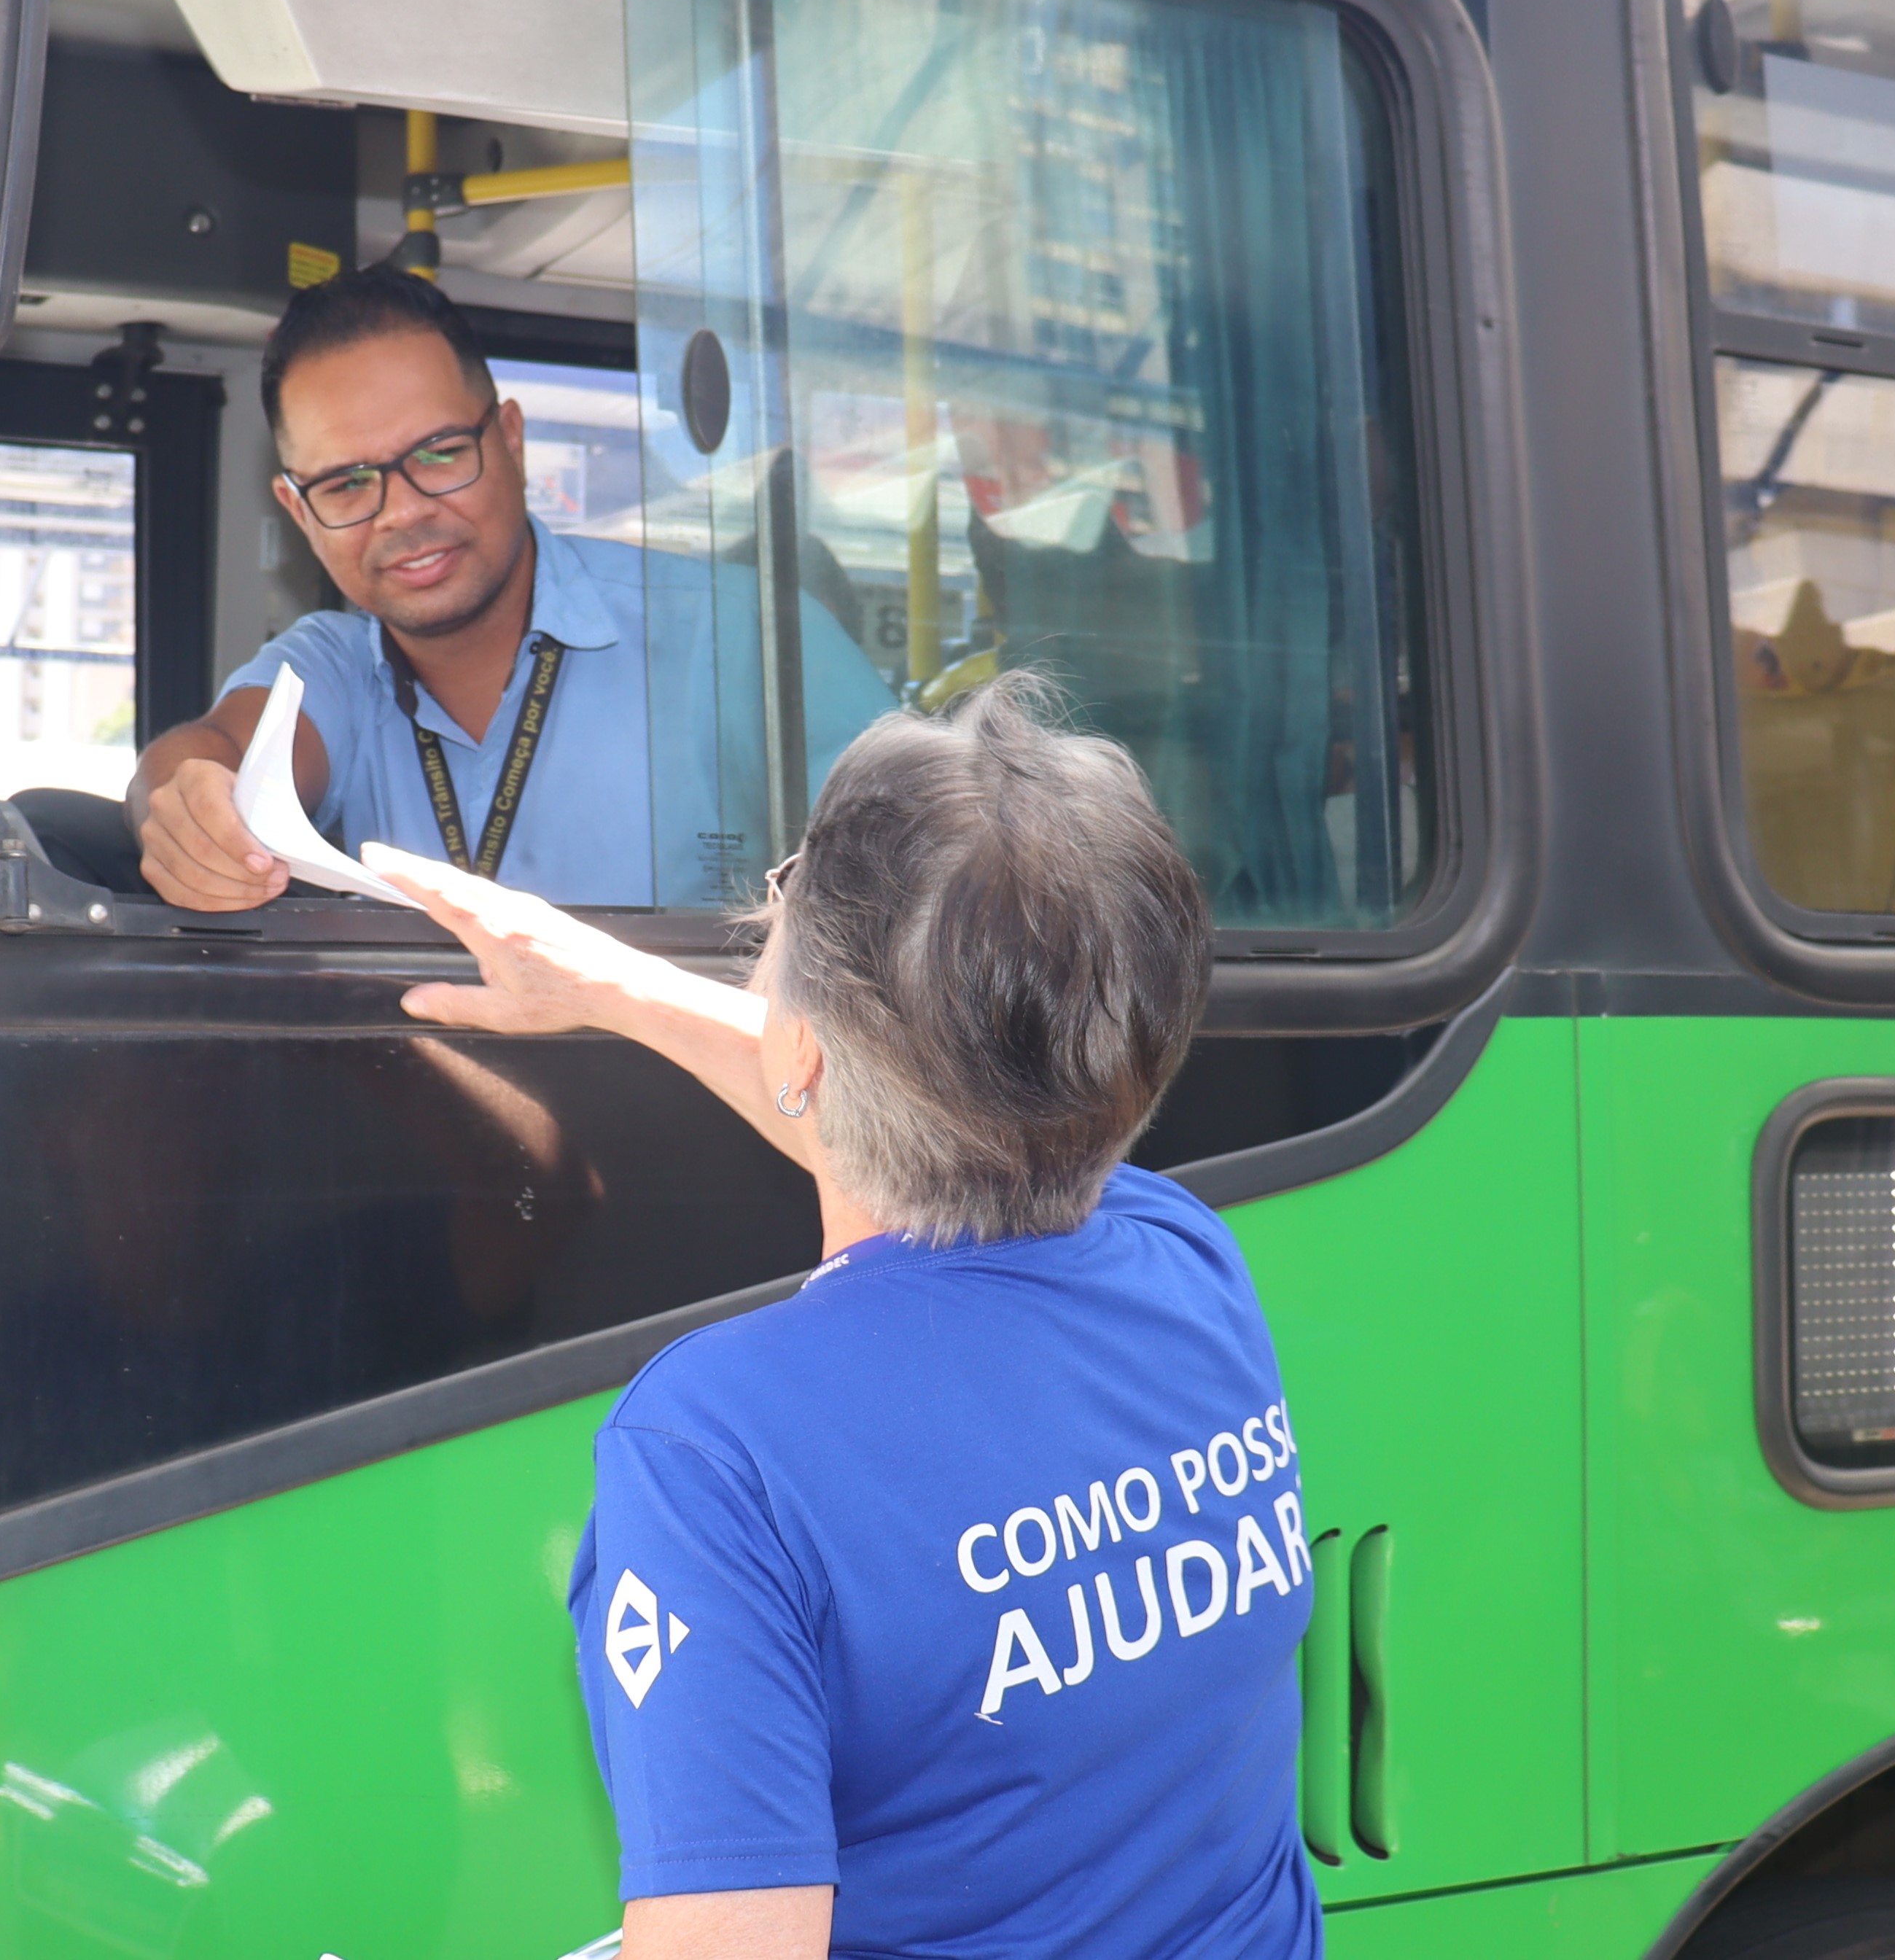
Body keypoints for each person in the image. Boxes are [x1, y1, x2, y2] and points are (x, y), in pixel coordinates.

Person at [362, 677, 1322, 1960]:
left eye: (777, 904)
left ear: (803, 1045)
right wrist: (607, 984)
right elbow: (945, 1121)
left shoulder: (721, 1451)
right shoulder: (1179, 1258)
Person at [127, 266, 890, 909]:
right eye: (347, 482)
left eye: (438, 453)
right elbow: (219, 748)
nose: (403, 511)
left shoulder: (740, 638)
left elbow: (927, 875)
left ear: (512, 441)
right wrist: (184, 806)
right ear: (299, 510)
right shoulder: (335, 666)